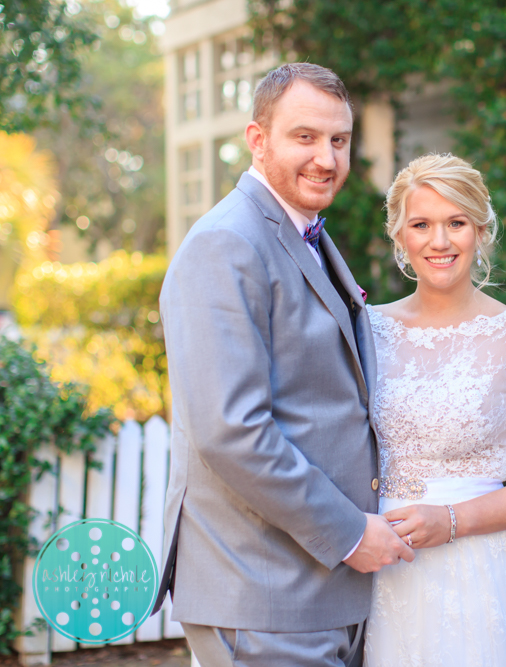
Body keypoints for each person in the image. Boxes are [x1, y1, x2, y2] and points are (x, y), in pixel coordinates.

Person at [152, 63, 414, 667]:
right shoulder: (226, 244)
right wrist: (349, 532)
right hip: (263, 593)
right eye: (305, 137)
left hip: (320, 592)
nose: (326, 157)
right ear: (257, 138)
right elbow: (231, 432)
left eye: (339, 140)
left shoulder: (305, 234)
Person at [362, 153, 506, 665]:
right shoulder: (365, 330)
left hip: (480, 576)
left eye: (456, 223)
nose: (439, 242)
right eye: (421, 224)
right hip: (380, 571)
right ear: (400, 237)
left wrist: (454, 520)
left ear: (481, 231)